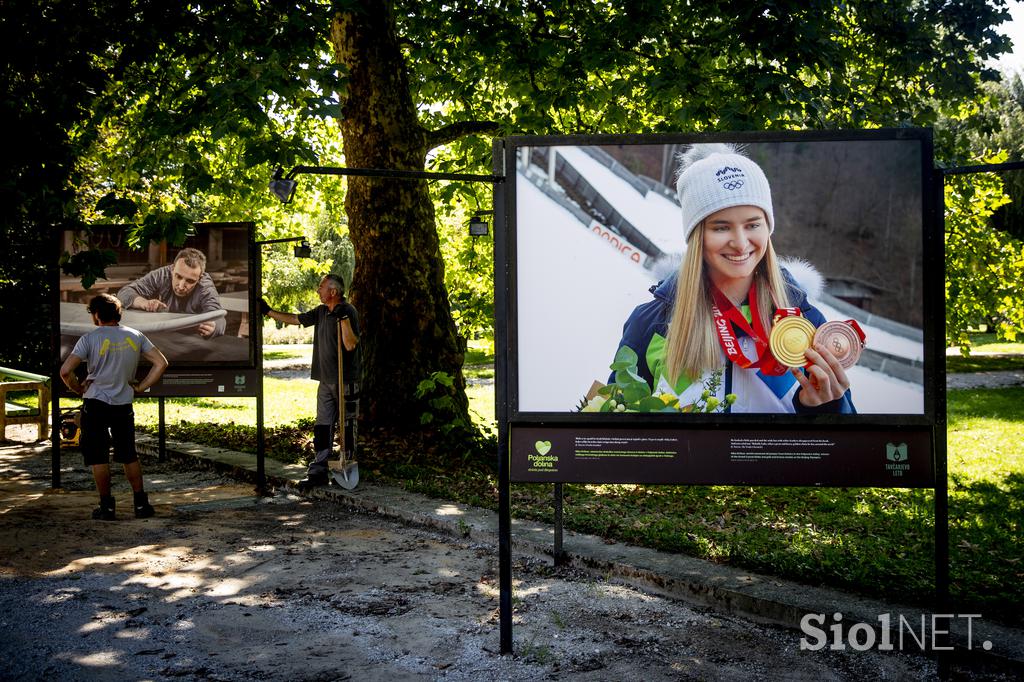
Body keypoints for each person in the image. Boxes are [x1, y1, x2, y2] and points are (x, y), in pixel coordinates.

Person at [610, 143, 856, 414]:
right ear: (696, 235)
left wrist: (827, 407)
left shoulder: (805, 322)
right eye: (721, 227)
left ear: (768, 228)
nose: (740, 243)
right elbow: (616, 428)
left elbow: (843, 448)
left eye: (752, 224)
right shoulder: (651, 322)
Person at [59, 293, 169, 519]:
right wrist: (141, 387)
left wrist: (78, 388)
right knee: (129, 454)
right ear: (118, 313)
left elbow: (65, 371)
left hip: (95, 403)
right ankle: (141, 505)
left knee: (98, 456)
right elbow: (161, 363)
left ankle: (107, 507)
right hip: (123, 404)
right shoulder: (135, 335)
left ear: (96, 315)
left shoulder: (89, 339)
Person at [262, 274, 360, 489]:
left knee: (347, 424)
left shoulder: (348, 310)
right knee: (323, 425)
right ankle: (319, 468)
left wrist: (342, 320)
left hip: (346, 380)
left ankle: (348, 462)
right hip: (325, 380)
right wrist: (268, 311)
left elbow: (351, 344)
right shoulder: (320, 312)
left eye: (321, 287)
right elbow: (296, 319)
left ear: (333, 292)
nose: (318, 290)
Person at [116, 247, 225, 338]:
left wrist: (213, 327)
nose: (181, 286)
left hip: (189, 338)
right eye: (178, 276)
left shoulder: (205, 287)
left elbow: (219, 317)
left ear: (200, 278)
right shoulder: (161, 275)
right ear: (172, 269)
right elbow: (124, 293)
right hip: (161, 333)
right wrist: (144, 303)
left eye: (190, 281)